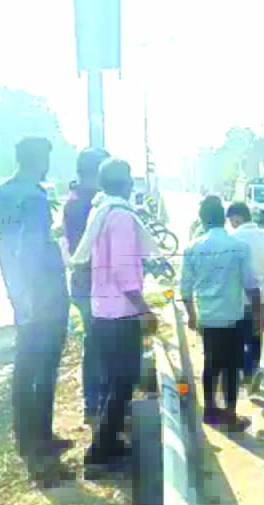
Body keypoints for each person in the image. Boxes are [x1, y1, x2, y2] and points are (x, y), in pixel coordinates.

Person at [70, 158, 160, 479]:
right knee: (123, 381)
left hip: (101, 311)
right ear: (128, 184)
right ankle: (99, 453)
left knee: (113, 382)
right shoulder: (120, 216)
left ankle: (108, 444)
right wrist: (144, 309)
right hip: (120, 313)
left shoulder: (101, 210)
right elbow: (124, 271)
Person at [0, 137, 73, 469]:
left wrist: (19, 293)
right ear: (38, 160)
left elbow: (3, 245)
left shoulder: (1, 192)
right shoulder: (34, 197)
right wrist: (38, 294)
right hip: (45, 294)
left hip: (20, 292)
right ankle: (40, 439)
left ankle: (28, 437)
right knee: (44, 366)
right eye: (46, 158)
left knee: (25, 367)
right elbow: (32, 247)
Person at [181, 196, 263, 429]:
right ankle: (230, 414)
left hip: (207, 318)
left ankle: (209, 410)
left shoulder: (192, 248)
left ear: (203, 220)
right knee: (231, 366)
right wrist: (257, 316)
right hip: (233, 317)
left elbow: (185, 288)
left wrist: (192, 315)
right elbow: (251, 285)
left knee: (211, 363)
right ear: (223, 219)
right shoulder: (239, 247)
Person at [62, 147, 110, 428]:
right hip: (92, 283)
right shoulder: (84, 204)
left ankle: (97, 403)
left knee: (96, 343)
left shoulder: (79, 199)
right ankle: (96, 403)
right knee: (98, 345)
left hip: (86, 284)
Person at [227, 202, 264, 395]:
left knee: (237, 339)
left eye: (231, 220)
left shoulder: (233, 238)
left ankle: (244, 373)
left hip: (239, 297)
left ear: (237, 218)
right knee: (255, 335)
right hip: (260, 297)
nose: (230, 224)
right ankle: (253, 370)